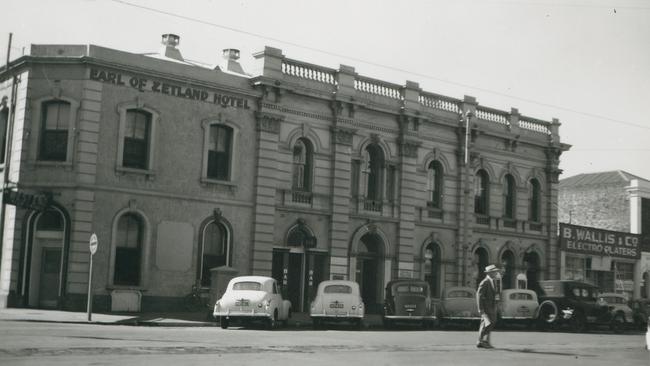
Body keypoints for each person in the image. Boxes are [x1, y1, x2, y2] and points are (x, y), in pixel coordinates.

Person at [476, 264, 500, 349]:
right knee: (486, 324)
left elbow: (494, 294)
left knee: (491, 322)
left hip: (492, 307)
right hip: (486, 308)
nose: (496, 273)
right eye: (494, 272)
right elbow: (479, 295)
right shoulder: (485, 282)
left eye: (496, 272)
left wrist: (496, 302)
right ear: (489, 273)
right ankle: (481, 341)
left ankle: (484, 341)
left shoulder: (493, 281)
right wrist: (480, 309)